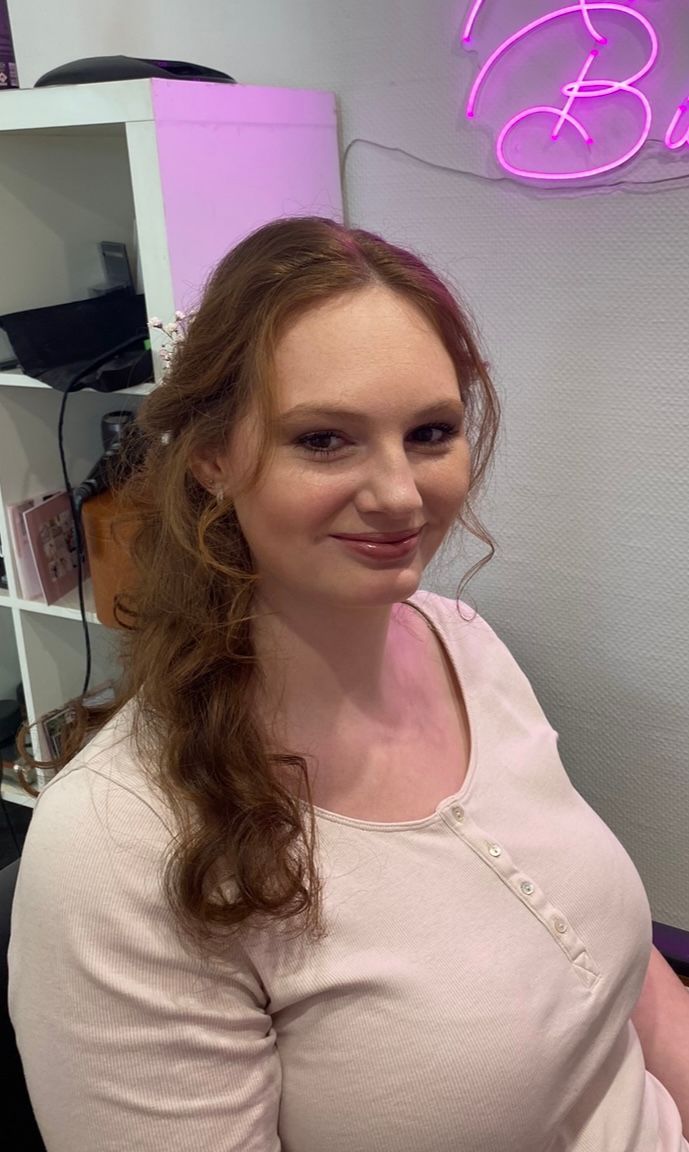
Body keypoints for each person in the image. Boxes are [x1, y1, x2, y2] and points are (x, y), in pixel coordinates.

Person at [7, 216, 687, 1152]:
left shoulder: (466, 645)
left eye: (430, 432)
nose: (401, 494)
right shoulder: (116, 849)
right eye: (325, 439)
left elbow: (622, 971)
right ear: (211, 456)